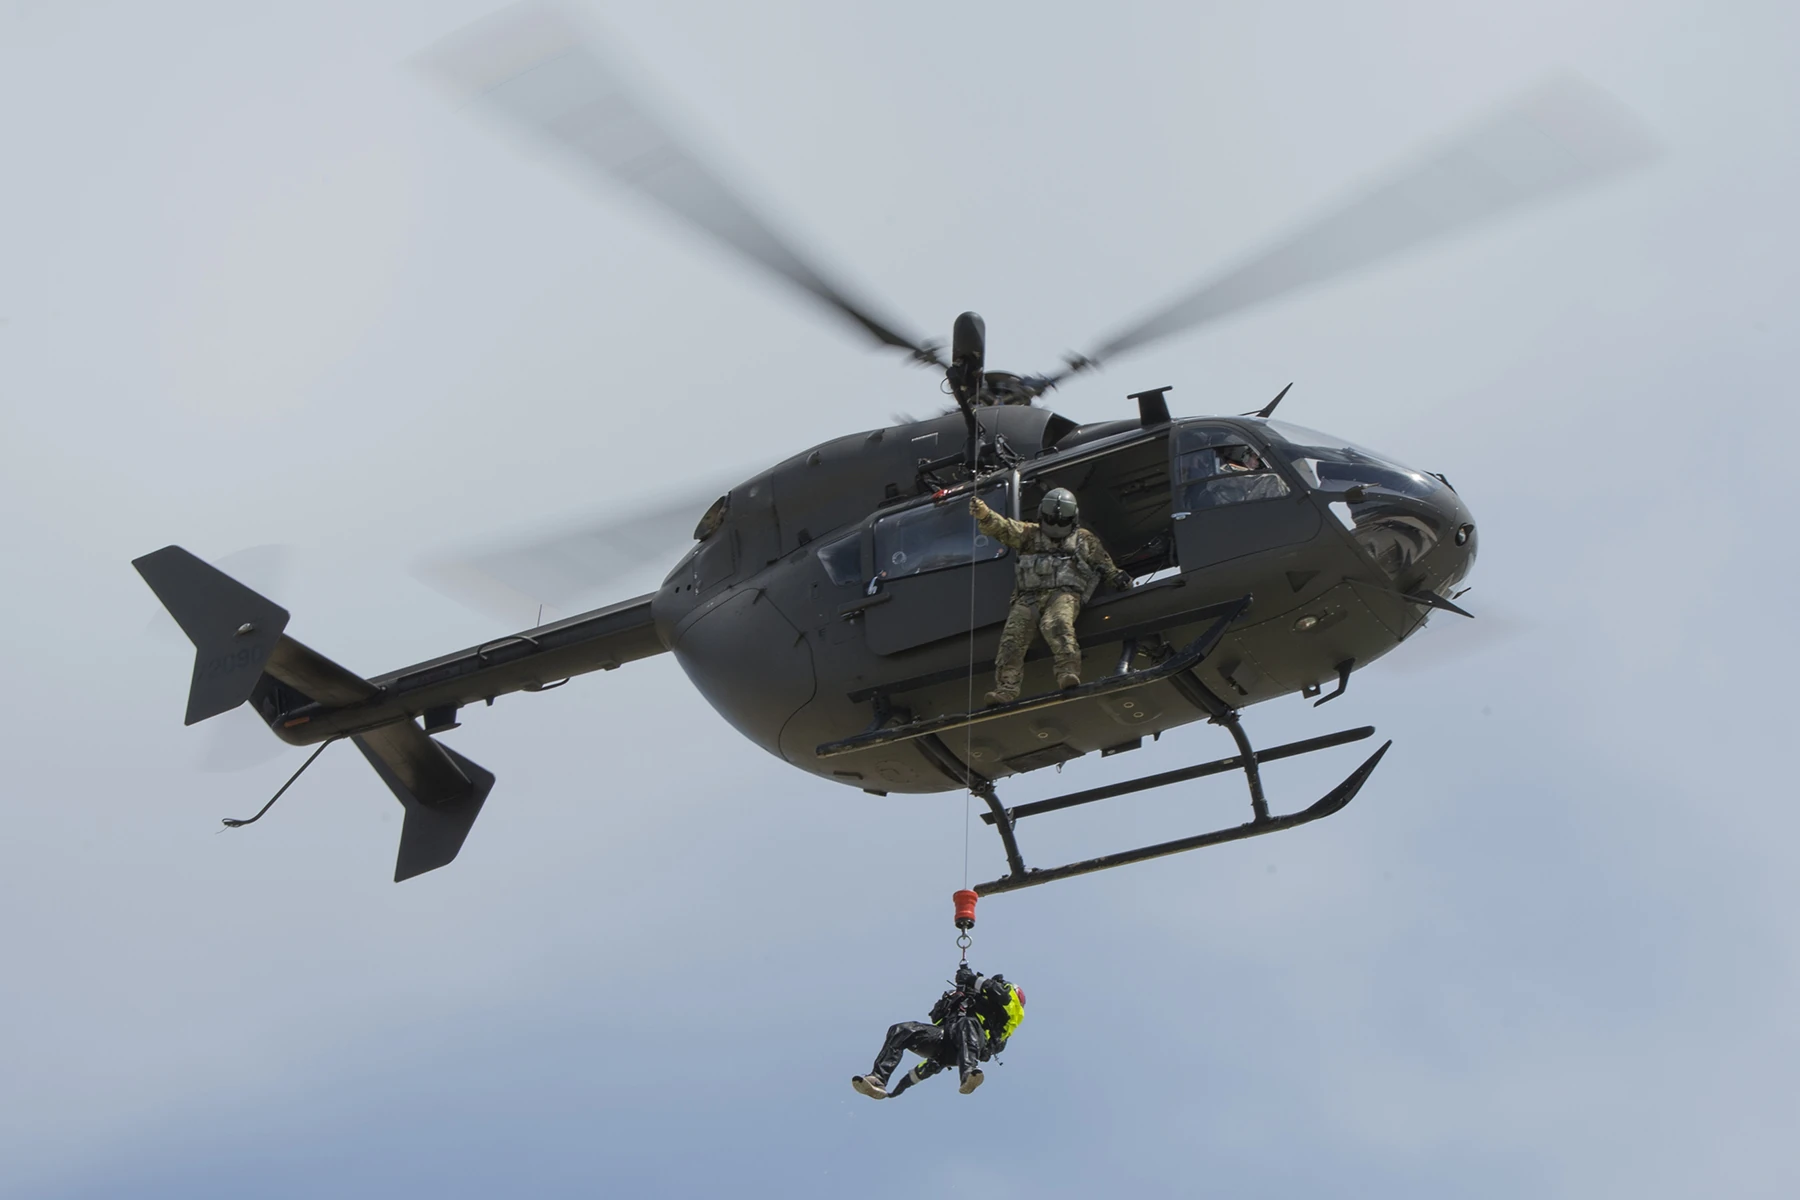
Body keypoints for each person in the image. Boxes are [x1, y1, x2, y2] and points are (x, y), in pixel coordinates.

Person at [969, 488, 1131, 705]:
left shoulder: (1084, 539)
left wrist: (1119, 578)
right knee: (1012, 639)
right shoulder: (1029, 533)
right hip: (1028, 598)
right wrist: (985, 515)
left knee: (1056, 624)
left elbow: (1103, 564)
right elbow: (1004, 528)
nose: (1055, 527)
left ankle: (1067, 673)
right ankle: (1006, 689)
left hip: (1063, 594)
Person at [851, 963, 1026, 1099]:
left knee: (966, 1024)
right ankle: (878, 1078)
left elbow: (1002, 995)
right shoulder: (973, 1002)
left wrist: (972, 979)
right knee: (901, 1030)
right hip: (947, 1043)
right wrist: (898, 1089)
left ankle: (968, 1073)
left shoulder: (1010, 1009)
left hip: (974, 1042)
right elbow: (926, 1063)